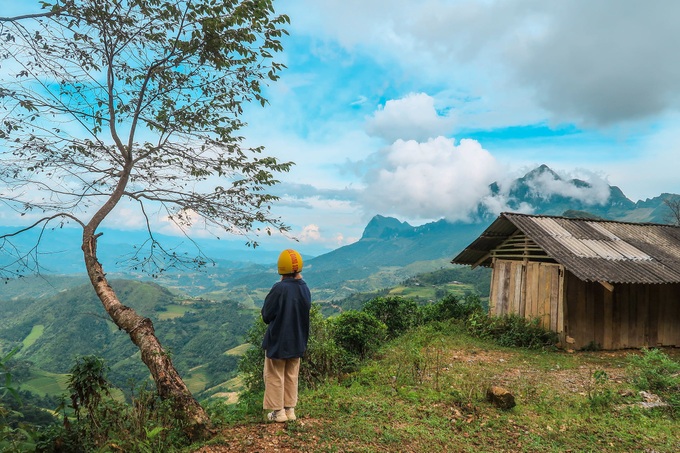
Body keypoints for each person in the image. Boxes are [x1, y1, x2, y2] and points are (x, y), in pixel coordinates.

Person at [261, 249, 312, 422]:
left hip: (278, 341)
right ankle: (290, 410)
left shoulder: (279, 288)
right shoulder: (304, 288)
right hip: (298, 340)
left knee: (275, 375)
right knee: (291, 374)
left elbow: (267, 315)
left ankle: (278, 412)